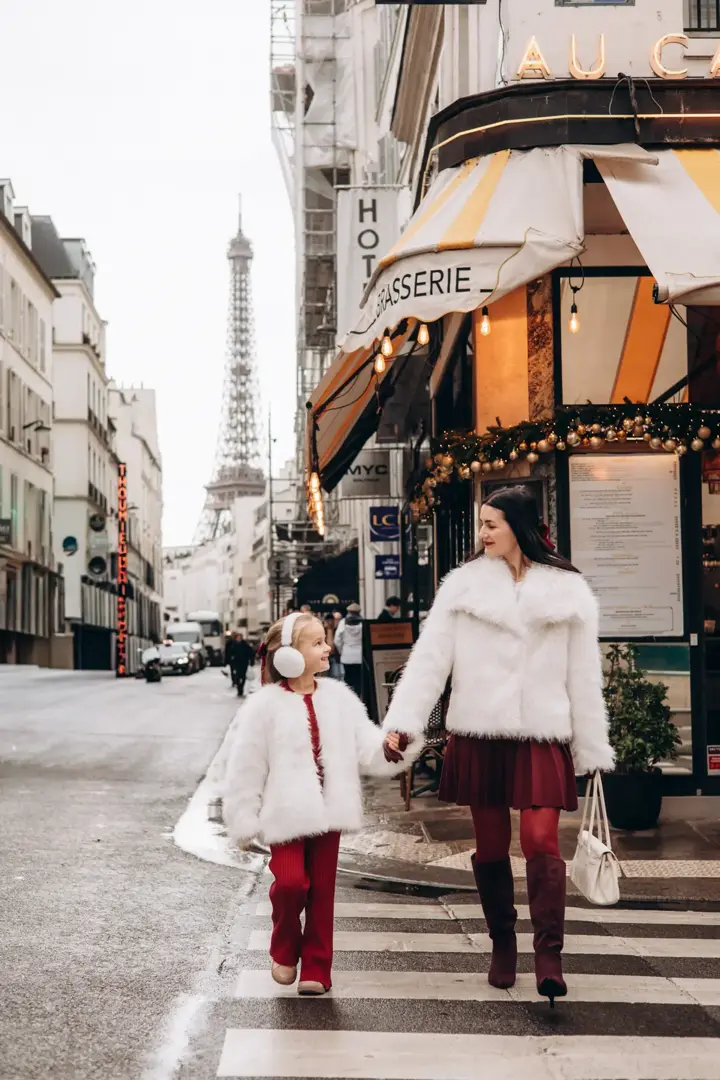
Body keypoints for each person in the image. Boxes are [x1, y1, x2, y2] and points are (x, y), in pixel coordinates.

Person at [382, 485, 613, 1006]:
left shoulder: (568, 591)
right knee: (490, 848)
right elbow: (430, 661)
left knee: (540, 842)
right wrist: (404, 723)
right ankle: (503, 944)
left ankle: (549, 954)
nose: (482, 533)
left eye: (491, 524)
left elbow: (584, 675)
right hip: (480, 731)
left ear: (520, 526)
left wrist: (591, 745)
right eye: (481, 523)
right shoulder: (462, 587)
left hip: (541, 732)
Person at [220, 611, 413, 995]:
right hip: (285, 814)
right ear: (290, 654)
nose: (329, 648)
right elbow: (246, 766)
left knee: (322, 892)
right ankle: (284, 947)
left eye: (326, 641)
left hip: (331, 812)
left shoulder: (340, 698)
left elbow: (365, 743)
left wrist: (389, 746)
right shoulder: (264, 707)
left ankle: (317, 969)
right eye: (318, 643)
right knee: (291, 884)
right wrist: (244, 816)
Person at [334, 603, 363, 698]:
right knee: (359, 679)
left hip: (347, 654)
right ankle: (358, 697)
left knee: (348, 678)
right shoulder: (363, 623)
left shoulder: (343, 622)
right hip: (359, 655)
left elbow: (337, 640)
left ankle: (348, 698)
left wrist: (341, 651)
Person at [230, 633, 254, 697]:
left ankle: (241, 688)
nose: (239, 639)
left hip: (244, 663)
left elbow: (250, 652)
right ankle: (239, 689)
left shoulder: (245, 645)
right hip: (237, 663)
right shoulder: (233, 645)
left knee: (243, 676)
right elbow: (231, 653)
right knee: (237, 676)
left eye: (240, 637)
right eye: (238, 637)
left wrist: (250, 660)